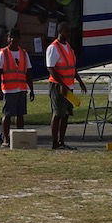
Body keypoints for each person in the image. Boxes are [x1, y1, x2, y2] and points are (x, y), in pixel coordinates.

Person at [46, 21, 88, 150]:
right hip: (58, 86)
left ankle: (61, 142)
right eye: (66, 31)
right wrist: (62, 84)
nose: (68, 34)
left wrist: (80, 82)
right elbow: (51, 68)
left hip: (69, 86)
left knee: (65, 114)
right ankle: (54, 143)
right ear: (60, 32)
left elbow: (72, 67)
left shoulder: (68, 47)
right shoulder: (53, 47)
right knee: (58, 113)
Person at [0, 28, 35, 148]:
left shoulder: (23, 53)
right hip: (8, 89)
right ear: (8, 39)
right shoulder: (3, 54)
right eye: (10, 37)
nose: (12, 39)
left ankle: (19, 137)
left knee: (20, 114)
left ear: (19, 39)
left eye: (14, 37)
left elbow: (28, 73)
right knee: (7, 114)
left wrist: (32, 89)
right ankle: (5, 138)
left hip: (21, 88)